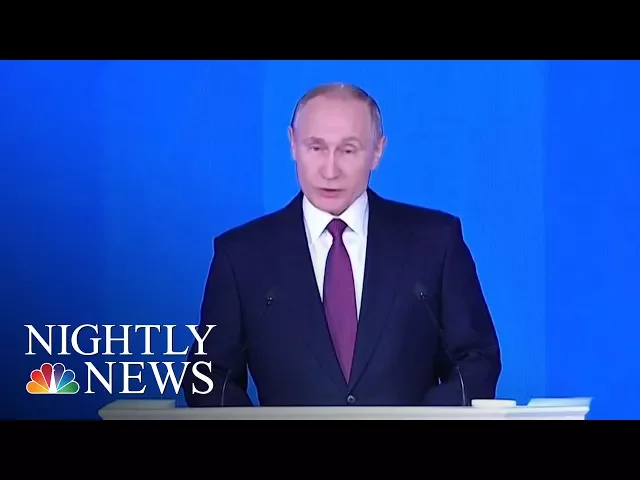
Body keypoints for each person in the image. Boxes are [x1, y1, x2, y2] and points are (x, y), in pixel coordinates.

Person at [183, 82, 501, 407]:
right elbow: (208, 376)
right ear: (292, 144)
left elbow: (477, 359)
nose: (330, 170)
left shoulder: (435, 242)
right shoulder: (241, 256)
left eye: (348, 150)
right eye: (316, 148)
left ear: (377, 150)